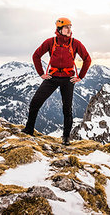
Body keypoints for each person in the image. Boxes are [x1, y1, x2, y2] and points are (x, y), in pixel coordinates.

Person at [22, 17, 91, 145]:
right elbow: (36, 55)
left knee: (67, 109)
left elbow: (87, 59)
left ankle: (66, 138)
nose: (69, 29)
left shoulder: (75, 43)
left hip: (68, 79)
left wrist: (80, 76)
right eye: (66, 27)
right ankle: (29, 129)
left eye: (70, 27)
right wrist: (41, 73)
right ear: (59, 29)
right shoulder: (50, 42)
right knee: (35, 102)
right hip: (52, 78)